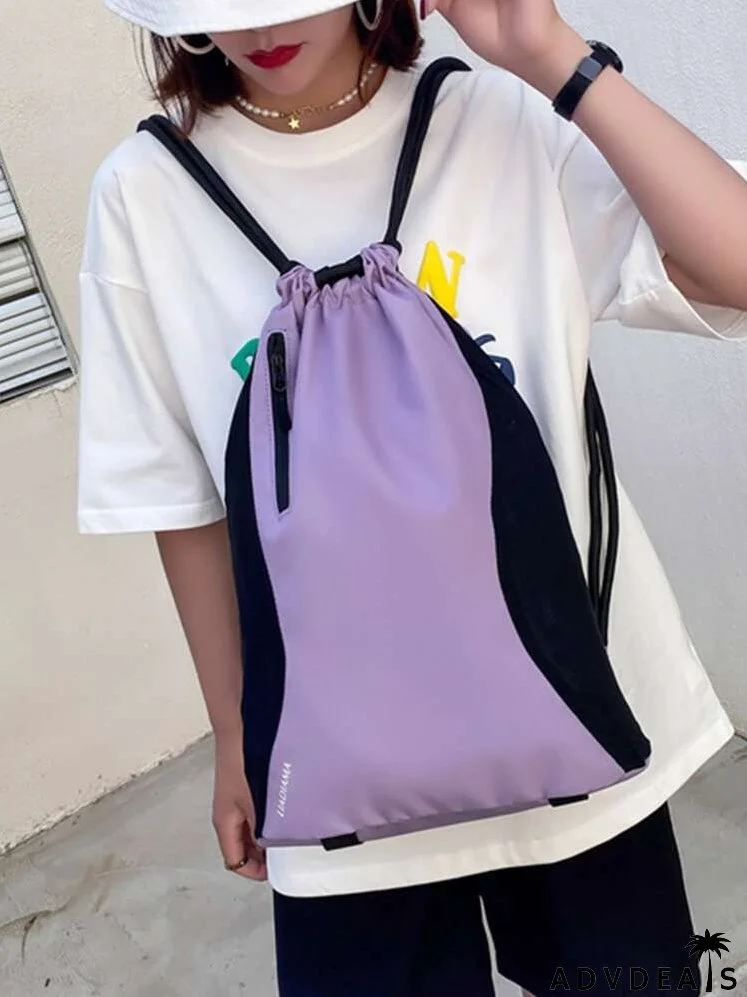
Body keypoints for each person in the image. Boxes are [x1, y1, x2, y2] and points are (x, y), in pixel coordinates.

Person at [77, 0, 747, 993]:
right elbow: (187, 503)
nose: (256, 24)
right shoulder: (144, 193)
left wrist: (548, 53)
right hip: (332, 774)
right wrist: (236, 732)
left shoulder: (496, 123)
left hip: (575, 716)